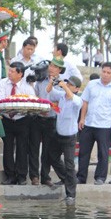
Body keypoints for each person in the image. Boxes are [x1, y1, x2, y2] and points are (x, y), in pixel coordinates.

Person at [76, 62, 111, 185]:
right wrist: (82, 119)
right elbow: (85, 102)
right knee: (83, 152)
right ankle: (81, 177)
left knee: (103, 153)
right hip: (89, 123)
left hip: (105, 126)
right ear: (101, 71)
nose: (105, 75)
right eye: (104, 71)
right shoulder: (92, 84)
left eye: (108, 73)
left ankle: (100, 177)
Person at [0, 62, 36, 186]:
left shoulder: (27, 87)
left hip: (22, 120)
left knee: (22, 148)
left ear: (20, 74)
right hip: (6, 119)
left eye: (12, 71)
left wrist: (16, 106)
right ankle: (10, 175)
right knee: (8, 147)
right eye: (9, 70)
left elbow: (31, 102)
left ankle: (22, 176)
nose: (9, 73)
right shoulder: (3, 83)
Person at [47, 76, 83, 206]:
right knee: (52, 157)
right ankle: (65, 179)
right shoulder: (62, 95)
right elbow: (49, 91)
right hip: (58, 134)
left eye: (71, 85)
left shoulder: (77, 100)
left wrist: (65, 87)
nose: (68, 85)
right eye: (68, 83)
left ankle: (71, 194)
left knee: (70, 165)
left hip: (70, 136)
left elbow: (72, 98)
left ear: (77, 88)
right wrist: (52, 81)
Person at [33, 56, 68, 187]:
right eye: (51, 65)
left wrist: (51, 105)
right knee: (34, 148)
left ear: (59, 70)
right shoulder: (40, 81)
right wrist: (39, 107)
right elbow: (36, 96)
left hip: (52, 119)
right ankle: (34, 176)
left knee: (47, 150)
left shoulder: (61, 84)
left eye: (55, 67)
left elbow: (62, 101)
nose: (52, 69)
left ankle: (45, 177)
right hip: (38, 117)